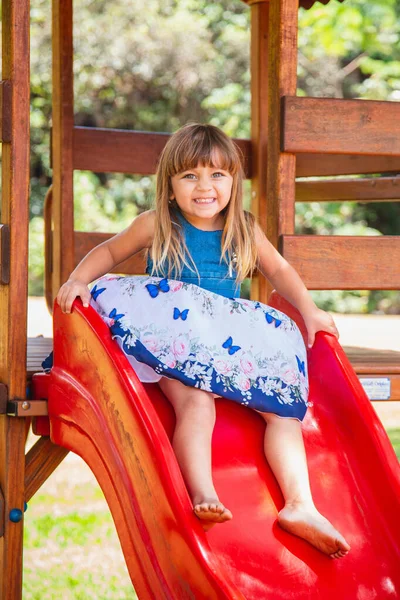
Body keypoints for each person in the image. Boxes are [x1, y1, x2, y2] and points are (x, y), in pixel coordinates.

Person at [56, 122, 350, 560]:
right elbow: (109, 252)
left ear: (233, 181)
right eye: (190, 176)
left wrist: (308, 309)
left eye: (217, 175)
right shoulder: (158, 223)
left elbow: (281, 272)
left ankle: (300, 505)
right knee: (196, 402)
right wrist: (79, 279)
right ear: (170, 186)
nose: (204, 186)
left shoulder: (244, 229)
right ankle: (202, 492)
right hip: (174, 346)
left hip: (224, 343)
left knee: (282, 410)